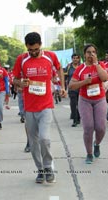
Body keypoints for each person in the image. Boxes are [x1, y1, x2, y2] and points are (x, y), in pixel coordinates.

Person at [13, 32, 67, 183]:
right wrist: (20, 83)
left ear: (40, 44)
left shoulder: (50, 56)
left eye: (36, 49)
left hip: (46, 105)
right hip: (29, 107)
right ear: (27, 47)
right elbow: (15, 78)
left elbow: (60, 69)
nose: (34, 52)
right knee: (33, 141)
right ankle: (40, 169)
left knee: (44, 138)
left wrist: (62, 87)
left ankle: (48, 166)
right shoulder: (22, 59)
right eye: (30, 50)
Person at [69, 44, 108, 164]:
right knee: (88, 127)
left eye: (93, 52)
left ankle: (96, 144)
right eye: (88, 52)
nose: (91, 54)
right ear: (84, 55)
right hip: (85, 100)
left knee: (101, 127)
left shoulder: (100, 65)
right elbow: (71, 85)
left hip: (99, 99)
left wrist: (96, 64)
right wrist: (84, 82)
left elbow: (105, 78)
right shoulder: (80, 68)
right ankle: (89, 153)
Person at [65, 53, 81, 127]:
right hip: (72, 89)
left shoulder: (81, 67)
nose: (75, 59)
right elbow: (65, 77)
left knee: (80, 104)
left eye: (77, 58)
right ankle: (75, 120)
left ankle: (78, 117)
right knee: (73, 104)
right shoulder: (68, 67)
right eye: (74, 58)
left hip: (81, 89)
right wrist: (64, 88)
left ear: (79, 59)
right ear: (72, 59)